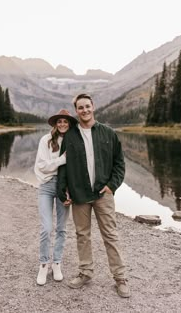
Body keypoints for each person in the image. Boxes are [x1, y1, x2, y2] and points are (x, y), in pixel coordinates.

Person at [57, 93, 130, 298]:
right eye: (80, 108)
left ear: (93, 107)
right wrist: (62, 191)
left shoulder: (108, 133)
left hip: (103, 194)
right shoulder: (70, 136)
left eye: (87, 106)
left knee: (110, 235)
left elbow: (119, 164)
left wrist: (111, 186)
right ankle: (85, 272)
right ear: (76, 111)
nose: (85, 110)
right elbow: (63, 166)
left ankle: (120, 278)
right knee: (82, 235)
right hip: (79, 194)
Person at [34, 109, 77, 285]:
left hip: (65, 187)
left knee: (62, 228)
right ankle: (44, 264)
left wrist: (71, 190)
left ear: (70, 123)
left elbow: (76, 168)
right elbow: (42, 166)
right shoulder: (46, 140)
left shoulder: (74, 141)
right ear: (55, 123)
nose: (62, 124)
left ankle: (57, 263)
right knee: (46, 228)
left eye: (65, 121)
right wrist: (61, 160)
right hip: (46, 186)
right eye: (59, 121)